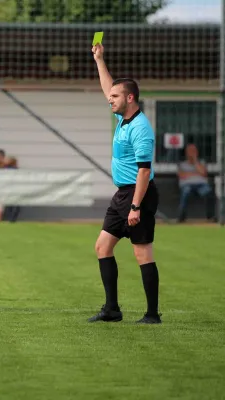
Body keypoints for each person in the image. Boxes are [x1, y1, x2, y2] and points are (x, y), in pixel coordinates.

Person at [89, 43, 161, 324]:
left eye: (116, 96)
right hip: (123, 193)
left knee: (142, 252)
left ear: (130, 98)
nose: (110, 99)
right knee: (102, 247)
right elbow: (109, 87)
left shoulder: (141, 128)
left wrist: (135, 206)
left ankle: (152, 314)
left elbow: (144, 171)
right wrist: (100, 60)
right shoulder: (123, 117)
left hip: (138, 194)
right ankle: (111, 309)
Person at [177, 143, 215, 223]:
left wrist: (195, 161)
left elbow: (204, 173)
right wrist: (196, 173)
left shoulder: (201, 163)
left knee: (209, 192)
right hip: (187, 186)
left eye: (193, 151)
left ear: (197, 152)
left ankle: (211, 216)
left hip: (201, 185)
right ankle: (181, 217)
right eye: (190, 151)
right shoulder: (182, 164)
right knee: (185, 192)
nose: (191, 153)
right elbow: (182, 176)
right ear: (186, 153)